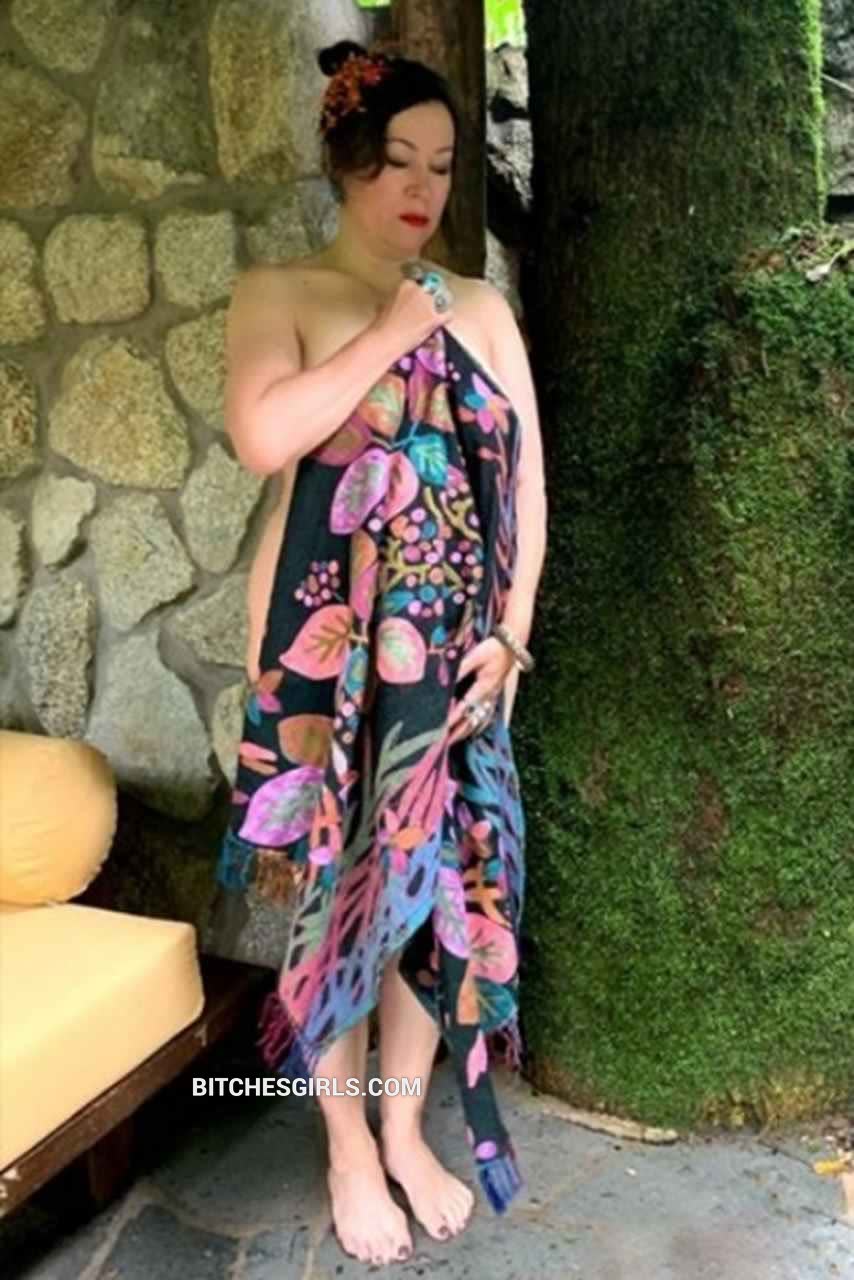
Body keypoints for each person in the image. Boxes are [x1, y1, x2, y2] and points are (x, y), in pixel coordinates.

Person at [214, 38, 547, 1268]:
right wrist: (393, 330)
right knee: (338, 889)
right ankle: (346, 1147)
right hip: (325, 655)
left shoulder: (486, 308)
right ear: (346, 161)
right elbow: (265, 436)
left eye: (442, 165)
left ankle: (404, 1129)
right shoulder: (283, 292)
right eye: (396, 159)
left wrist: (511, 629)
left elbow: (526, 481)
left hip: (457, 660)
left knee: (438, 889)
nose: (420, 187)